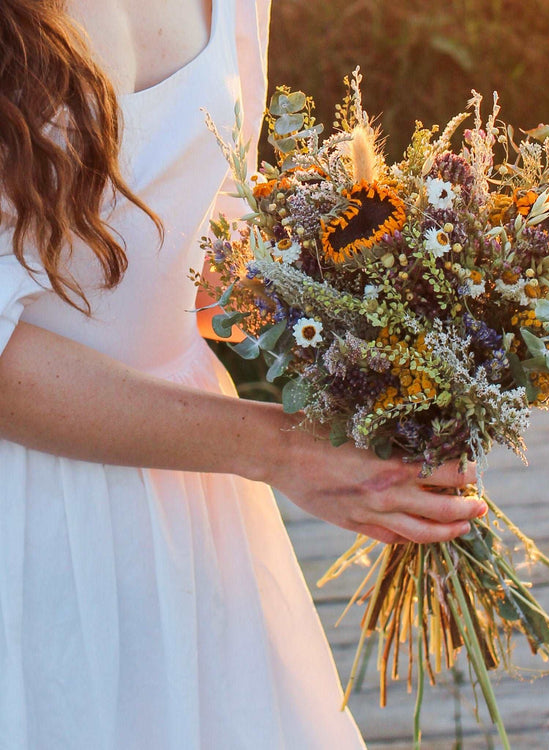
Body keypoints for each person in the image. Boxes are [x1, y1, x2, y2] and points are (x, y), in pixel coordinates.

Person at [0, 1, 485, 747]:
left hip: (186, 489)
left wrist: (409, 362)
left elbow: (206, 269)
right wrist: (282, 449)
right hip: (28, 508)